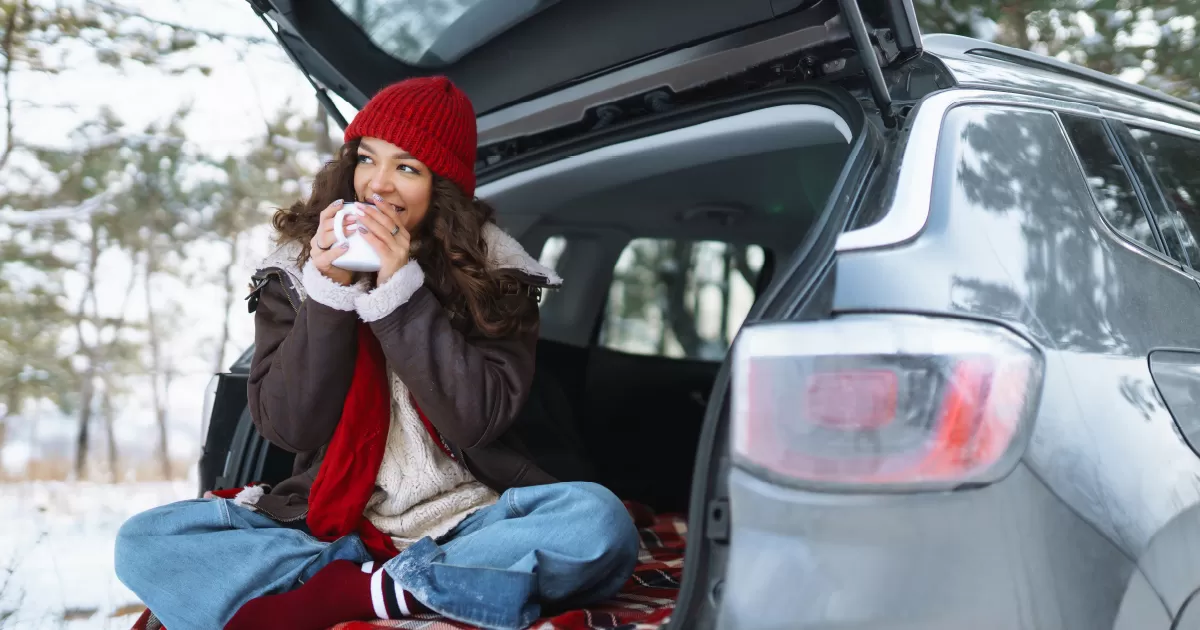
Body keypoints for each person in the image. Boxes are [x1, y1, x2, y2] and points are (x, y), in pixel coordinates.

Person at [114, 76, 640, 630]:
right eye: (368, 159)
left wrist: (399, 293)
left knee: (599, 521)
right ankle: (420, 589)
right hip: (332, 531)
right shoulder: (296, 276)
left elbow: (476, 420)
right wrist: (328, 292)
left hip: (473, 523)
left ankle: (368, 596)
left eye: (407, 168)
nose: (378, 186)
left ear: (442, 188)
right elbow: (290, 428)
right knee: (143, 542)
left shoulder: (497, 277)